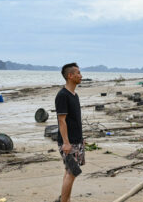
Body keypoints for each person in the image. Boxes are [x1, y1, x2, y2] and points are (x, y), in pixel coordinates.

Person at [55, 63, 84, 202]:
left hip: (76, 140)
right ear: (70, 76)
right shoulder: (62, 96)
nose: (81, 76)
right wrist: (66, 143)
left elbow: (75, 120)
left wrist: (81, 138)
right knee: (71, 172)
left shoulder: (74, 95)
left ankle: (64, 199)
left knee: (70, 171)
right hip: (68, 142)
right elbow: (62, 121)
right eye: (78, 73)